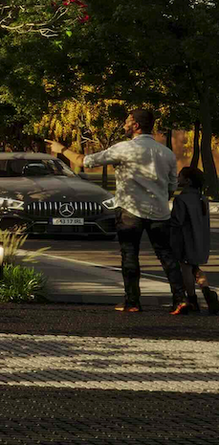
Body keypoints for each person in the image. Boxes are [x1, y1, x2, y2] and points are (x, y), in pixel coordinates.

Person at [81, 111, 185, 314]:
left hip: (130, 210)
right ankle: (180, 299)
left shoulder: (124, 148)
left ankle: (132, 302)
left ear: (136, 125)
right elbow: (172, 186)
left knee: (130, 255)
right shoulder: (167, 153)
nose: (124, 124)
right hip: (160, 212)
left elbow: (86, 161)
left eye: (127, 121)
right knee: (166, 255)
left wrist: (61, 150)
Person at [172, 166, 215, 315]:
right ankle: (208, 293)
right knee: (196, 268)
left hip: (185, 239)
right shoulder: (202, 199)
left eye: (180, 176)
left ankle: (192, 299)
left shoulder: (182, 199)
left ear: (188, 181)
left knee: (186, 270)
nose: (178, 179)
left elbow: (177, 222)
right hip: (199, 238)